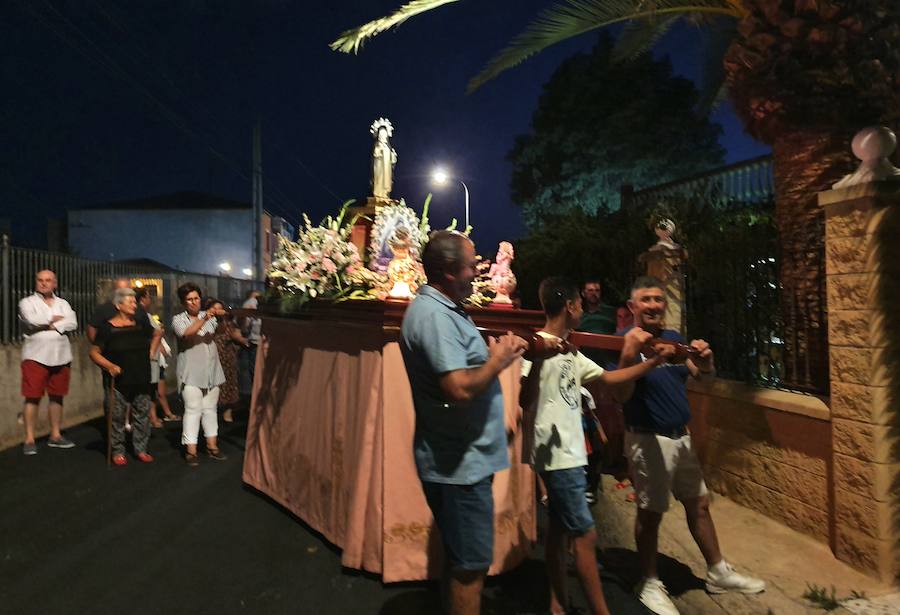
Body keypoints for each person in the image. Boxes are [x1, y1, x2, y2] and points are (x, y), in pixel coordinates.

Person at [519, 276, 675, 615]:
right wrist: (540, 359)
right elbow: (524, 399)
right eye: (581, 304)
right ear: (573, 306)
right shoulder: (536, 345)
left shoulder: (570, 349)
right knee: (586, 537)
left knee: (560, 531)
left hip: (572, 453)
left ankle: (558, 603)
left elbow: (607, 378)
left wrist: (651, 363)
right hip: (556, 455)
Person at [617, 276, 765, 615]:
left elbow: (701, 375)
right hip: (647, 438)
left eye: (658, 299)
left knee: (698, 504)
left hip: (680, 437)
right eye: (646, 300)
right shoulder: (622, 342)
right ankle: (650, 582)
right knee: (650, 514)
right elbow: (620, 395)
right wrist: (631, 356)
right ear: (633, 307)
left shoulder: (673, 338)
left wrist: (706, 358)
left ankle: (717, 571)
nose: (653, 305)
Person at [399, 230, 528, 615]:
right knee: (471, 569)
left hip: (461, 459)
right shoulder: (435, 316)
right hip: (459, 468)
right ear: (450, 272)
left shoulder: (445, 310)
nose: (479, 271)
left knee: (460, 561)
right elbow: (457, 387)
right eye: (472, 265)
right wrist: (498, 360)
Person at [89, 287, 161, 465]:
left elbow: (158, 332)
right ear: (118, 305)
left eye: (134, 301)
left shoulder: (141, 323)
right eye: (130, 301)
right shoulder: (108, 328)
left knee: (142, 414)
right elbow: (94, 352)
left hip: (141, 375)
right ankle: (118, 450)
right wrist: (110, 365)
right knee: (116, 417)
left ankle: (141, 449)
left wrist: (151, 352)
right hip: (118, 380)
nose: (134, 304)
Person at [18, 269, 78, 455]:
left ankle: (56, 435)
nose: (43, 283)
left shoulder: (63, 303)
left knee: (57, 395)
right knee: (32, 396)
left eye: (48, 280)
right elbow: (31, 320)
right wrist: (55, 321)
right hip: (35, 356)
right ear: (36, 282)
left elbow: (73, 322)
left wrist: (50, 324)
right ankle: (29, 438)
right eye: (40, 280)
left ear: (55, 283)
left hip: (61, 355)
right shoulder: (27, 302)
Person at [172, 282, 227, 466]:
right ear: (183, 302)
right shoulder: (178, 319)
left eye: (196, 298)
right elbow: (187, 333)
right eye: (189, 299)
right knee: (193, 410)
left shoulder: (209, 316)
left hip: (212, 372)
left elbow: (221, 330)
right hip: (190, 373)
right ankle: (191, 450)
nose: (194, 302)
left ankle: (213, 446)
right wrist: (205, 317)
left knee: (210, 410)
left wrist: (222, 314)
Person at [134, 287, 178, 426]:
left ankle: (158, 415)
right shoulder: (142, 316)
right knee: (154, 390)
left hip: (156, 358)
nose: (150, 300)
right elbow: (154, 335)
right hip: (152, 358)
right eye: (148, 297)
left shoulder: (147, 315)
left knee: (156, 389)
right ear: (142, 299)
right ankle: (154, 417)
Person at [204, 298, 249, 423]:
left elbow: (236, 334)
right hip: (212, 355)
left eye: (220, 308)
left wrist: (241, 340)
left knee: (229, 381)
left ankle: (227, 411)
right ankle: (213, 409)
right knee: (213, 383)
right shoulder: (206, 321)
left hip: (227, 355)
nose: (218, 311)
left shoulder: (228, 322)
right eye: (215, 308)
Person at [238, 290, 262, 399]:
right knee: (254, 375)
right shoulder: (249, 305)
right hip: (254, 345)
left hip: (257, 344)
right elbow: (243, 327)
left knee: (256, 375)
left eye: (256, 298)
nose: (254, 301)